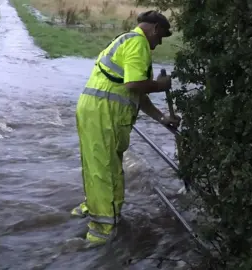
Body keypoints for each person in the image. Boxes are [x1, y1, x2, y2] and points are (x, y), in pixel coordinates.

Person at [72, 10, 181, 245]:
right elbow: (134, 85)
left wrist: (162, 118)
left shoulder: (126, 41)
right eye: (161, 36)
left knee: (98, 167)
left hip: (95, 112)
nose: (159, 43)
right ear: (154, 28)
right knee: (104, 171)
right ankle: (102, 231)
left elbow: (138, 95)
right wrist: (160, 85)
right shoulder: (138, 43)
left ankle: (97, 211)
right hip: (104, 115)